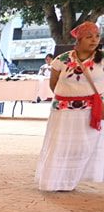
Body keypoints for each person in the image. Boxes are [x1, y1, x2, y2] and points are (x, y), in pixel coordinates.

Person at [35, 22, 104, 192]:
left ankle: (72, 179)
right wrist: (68, 98)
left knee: (84, 146)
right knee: (61, 144)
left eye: (97, 36)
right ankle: (55, 181)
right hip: (63, 111)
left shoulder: (101, 60)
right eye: (89, 37)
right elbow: (53, 84)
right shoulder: (62, 60)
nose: (94, 40)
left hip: (89, 111)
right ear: (79, 39)